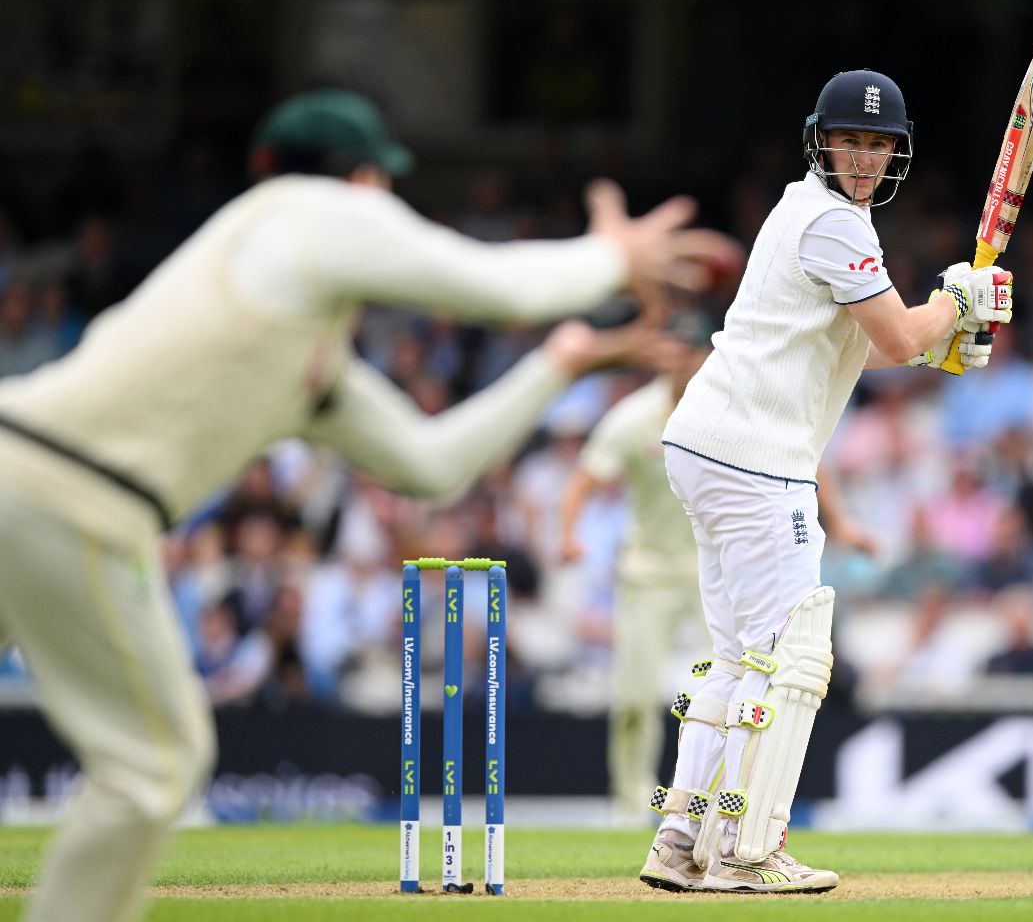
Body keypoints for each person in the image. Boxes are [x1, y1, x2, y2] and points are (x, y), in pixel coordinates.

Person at [0, 88, 735, 922]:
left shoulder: (303, 350)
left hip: (28, 478)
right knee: (156, 765)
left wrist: (557, 366)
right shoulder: (302, 212)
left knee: (152, 766)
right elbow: (489, 284)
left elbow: (432, 464)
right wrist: (609, 256)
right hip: (64, 490)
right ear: (365, 180)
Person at [642, 69, 1014, 893]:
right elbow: (903, 331)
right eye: (851, 140)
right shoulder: (834, 224)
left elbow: (884, 344)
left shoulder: (805, 213)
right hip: (753, 458)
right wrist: (960, 298)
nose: (864, 157)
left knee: (740, 661)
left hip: (709, 445)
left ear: (896, 154)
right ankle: (748, 850)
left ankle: (679, 836)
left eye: (879, 145)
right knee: (789, 662)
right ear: (822, 140)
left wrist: (944, 330)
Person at [557, 312, 877, 828]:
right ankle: (629, 803)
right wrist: (569, 534)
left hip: (721, 568)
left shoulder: (727, 402)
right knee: (637, 697)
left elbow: (803, 457)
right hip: (651, 571)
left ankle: (714, 804)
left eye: (694, 354)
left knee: (735, 681)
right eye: (676, 354)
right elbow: (585, 478)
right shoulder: (634, 417)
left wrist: (842, 523)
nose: (686, 363)